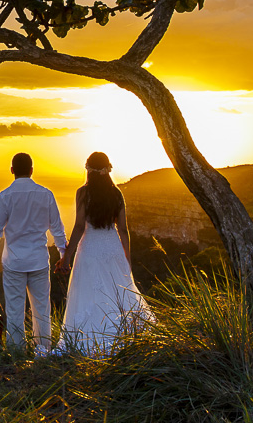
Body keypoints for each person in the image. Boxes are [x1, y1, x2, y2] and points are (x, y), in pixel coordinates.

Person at [55, 151, 153, 354]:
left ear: (88, 170)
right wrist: (127, 258)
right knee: (119, 291)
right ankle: (124, 335)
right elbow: (123, 229)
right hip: (112, 247)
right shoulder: (116, 194)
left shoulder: (83, 193)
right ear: (107, 170)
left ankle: (87, 340)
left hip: (90, 248)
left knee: (89, 291)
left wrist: (67, 257)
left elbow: (80, 226)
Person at [0, 152, 67, 353]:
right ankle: (43, 351)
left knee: (14, 311)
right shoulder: (46, 195)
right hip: (38, 261)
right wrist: (63, 256)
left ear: (12, 171)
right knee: (42, 311)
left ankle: (17, 353)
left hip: (14, 263)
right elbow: (57, 229)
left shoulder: (4, 197)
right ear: (31, 170)